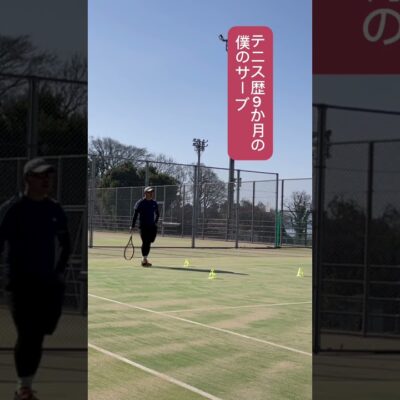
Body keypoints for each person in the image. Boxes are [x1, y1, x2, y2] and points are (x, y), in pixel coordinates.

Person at [0, 158, 71, 400]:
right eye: (40, 175)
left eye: (48, 175)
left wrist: (58, 272)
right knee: (28, 333)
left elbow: (66, 244)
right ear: (28, 178)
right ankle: (23, 389)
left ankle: (26, 385)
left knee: (38, 335)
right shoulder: (13, 209)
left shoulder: (54, 209)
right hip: (19, 283)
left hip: (47, 284)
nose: (46, 180)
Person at [130, 186, 159, 267]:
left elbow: (158, 214)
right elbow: (135, 215)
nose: (151, 193)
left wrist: (155, 223)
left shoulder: (154, 203)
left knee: (149, 242)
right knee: (145, 242)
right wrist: (132, 226)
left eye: (152, 192)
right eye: (149, 192)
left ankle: (144, 258)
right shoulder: (140, 203)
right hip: (143, 226)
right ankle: (144, 259)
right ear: (145, 193)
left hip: (152, 227)